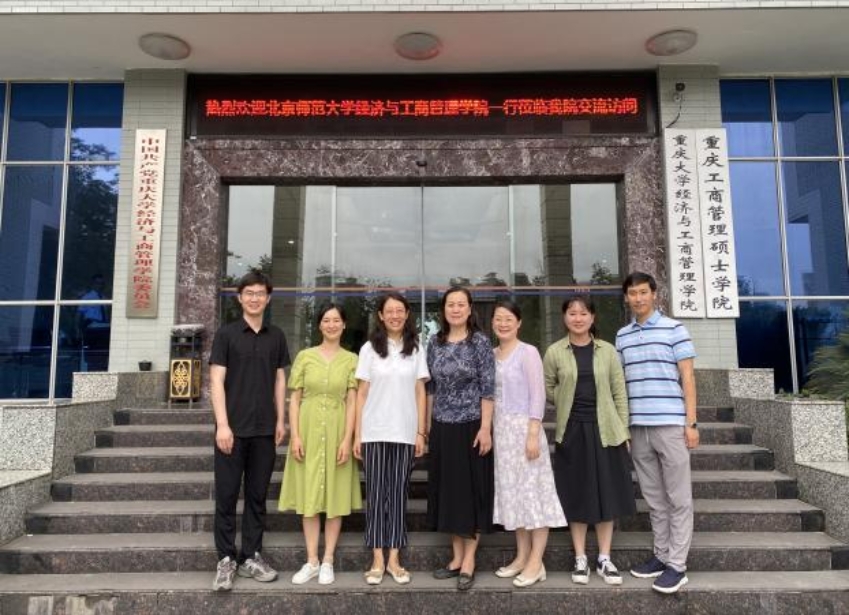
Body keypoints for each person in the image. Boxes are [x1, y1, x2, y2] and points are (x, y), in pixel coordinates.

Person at [615, 272, 698, 595]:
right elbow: (620, 384)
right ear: (626, 298)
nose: (638, 298)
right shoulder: (622, 336)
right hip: (638, 427)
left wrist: (691, 424)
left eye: (643, 292)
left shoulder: (674, 329)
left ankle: (678, 565)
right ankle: (661, 556)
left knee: (678, 498)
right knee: (653, 498)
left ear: (654, 294)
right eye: (632, 293)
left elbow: (688, 378)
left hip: (671, 425)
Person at [543, 295, 635, 587]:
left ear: (592, 318)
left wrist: (624, 430)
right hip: (572, 430)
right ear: (564, 318)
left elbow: (619, 392)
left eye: (583, 313)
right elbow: (548, 387)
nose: (578, 318)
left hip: (606, 429)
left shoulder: (607, 351)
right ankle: (580, 557)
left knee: (607, 492)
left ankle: (605, 558)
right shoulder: (555, 352)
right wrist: (565, 397)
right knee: (577, 492)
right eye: (572, 313)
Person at [209, 271, 289, 592]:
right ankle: (226, 559)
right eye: (249, 293)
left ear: (268, 299)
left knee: (257, 496)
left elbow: (280, 380)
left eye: (260, 294)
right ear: (240, 298)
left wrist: (281, 419)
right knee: (227, 495)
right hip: (232, 430)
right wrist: (222, 424)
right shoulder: (226, 335)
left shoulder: (276, 336)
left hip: (265, 430)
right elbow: (216, 380)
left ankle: (251, 556)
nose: (255, 298)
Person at [278, 303, 362, 586]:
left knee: (335, 496)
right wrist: (295, 435)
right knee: (309, 496)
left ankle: (328, 560)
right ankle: (312, 560)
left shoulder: (352, 359)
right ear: (319, 325)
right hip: (309, 430)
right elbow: (295, 400)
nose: (331, 325)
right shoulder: (305, 356)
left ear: (344, 325)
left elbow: (352, 401)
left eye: (336, 320)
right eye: (326, 320)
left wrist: (347, 438)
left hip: (338, 429)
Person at [353, 293, 430, 585]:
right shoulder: (369, 349)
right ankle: (377, 559)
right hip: (374, 431)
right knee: (375, 495)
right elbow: (361, 393)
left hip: (405, 433)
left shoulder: (416, 348)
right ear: (381, 316)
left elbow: (420, 392)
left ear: (407, 314)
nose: (395, 315)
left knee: (398, 495)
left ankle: (395, 559)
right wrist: (358, 434)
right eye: (390, 311)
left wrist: (421, 432)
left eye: (400, 311)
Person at [491, 300, 566, 588]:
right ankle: (522, 557)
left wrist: (533, 432)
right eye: (498, 318)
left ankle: (536, 561)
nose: (503, 323)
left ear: (519, 322)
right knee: (514, 496)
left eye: (508, 318)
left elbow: (538, 395)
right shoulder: (492, 354)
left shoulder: (528, 352)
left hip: (525, 432)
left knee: (534, 495)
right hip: (502, 435)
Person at [426, 286, 496, 591]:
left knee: (471, 492)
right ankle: (456, 557)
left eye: (460, 304)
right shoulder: (435, 342)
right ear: (444, 310)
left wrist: (485, 427)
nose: (455, 309)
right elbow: (430, 388)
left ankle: (469, 560)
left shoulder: (479, 342)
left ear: (469, 309)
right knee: (450, 493)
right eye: (450, 305)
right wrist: (426, 427)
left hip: (472, 427)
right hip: (442, 426)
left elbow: (488, 387)